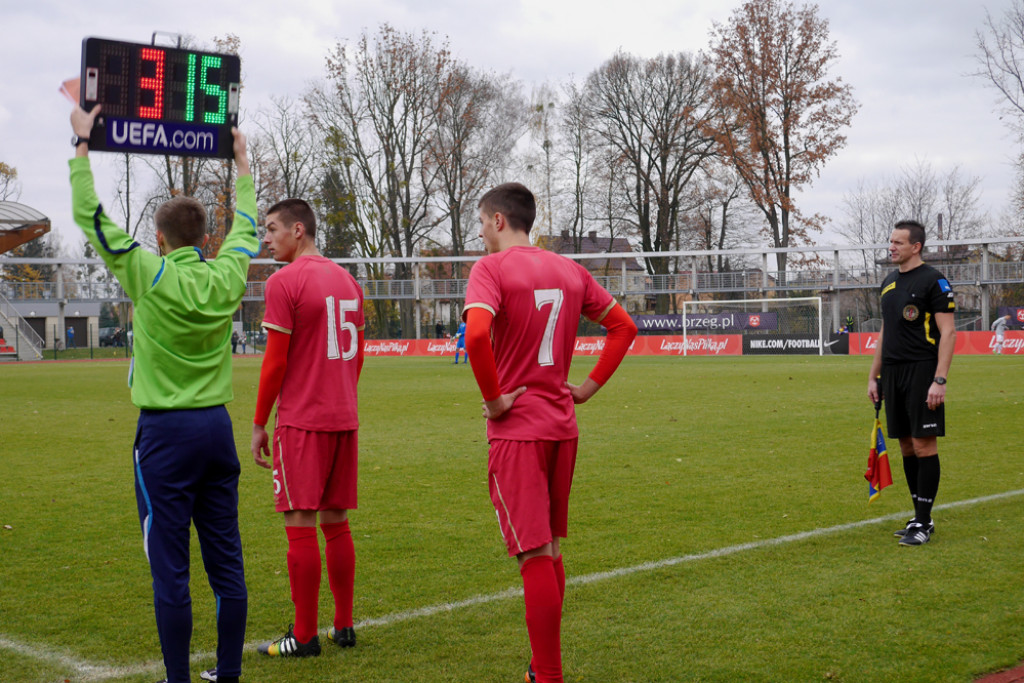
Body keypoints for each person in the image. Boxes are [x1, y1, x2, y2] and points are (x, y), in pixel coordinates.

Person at [69, 105, 258, 683]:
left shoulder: (147, 272)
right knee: (226, 563)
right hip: (216, 431)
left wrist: (80, 149)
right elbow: (247, 223)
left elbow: (90, 216)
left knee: (170, 570)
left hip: (165, 435)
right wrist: (242, 161)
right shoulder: (228, 275)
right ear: (205, 236)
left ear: (159, 237)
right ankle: (228, 673)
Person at [462, 183, 637, 683]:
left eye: (481, 222)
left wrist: (496, 401)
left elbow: (476, 335)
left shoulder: (490, 269)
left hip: (519, 431)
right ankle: (544, 671)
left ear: (499, 220)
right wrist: (585, 389)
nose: (479, 233)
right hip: (562, 426)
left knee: (535, 554)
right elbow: (624, 327)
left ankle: (549, 674)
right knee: (552, 548)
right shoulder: (570, 269)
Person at [250, 198, 365, 660]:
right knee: (336, 522)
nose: (267, 238)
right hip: (344, 416)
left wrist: (259, 421)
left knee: (299, 522)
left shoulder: (284, 281)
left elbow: (275, 361)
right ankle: (344, 625)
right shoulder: (349, 281)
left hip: (302, 419)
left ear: (299, 230)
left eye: (273, 228)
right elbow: (358, 354)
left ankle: (303, 635)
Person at [867, 220, 956, 547]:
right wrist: (874, 375)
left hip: (922, 371)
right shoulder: (888, 282)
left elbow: (949, 332)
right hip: (892, 372)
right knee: (905, 445)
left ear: (915, 246)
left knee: (923, 445)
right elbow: (885, 332)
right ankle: (920, 516)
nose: (891, 247)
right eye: (891, 242)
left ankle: (923, 520)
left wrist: (939, 380)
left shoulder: (934, 280)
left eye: (898, 243)